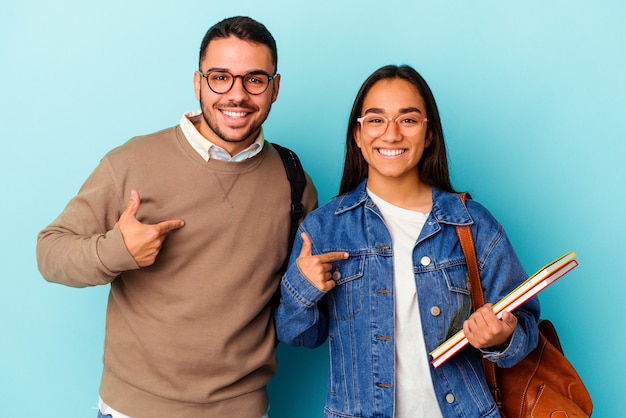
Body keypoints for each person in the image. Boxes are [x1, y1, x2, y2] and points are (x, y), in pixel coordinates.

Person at [36, 16, 317, 418]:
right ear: (198, 82)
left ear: (274, 88)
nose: (236, 94)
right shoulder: (131, 162)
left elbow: (296, 302)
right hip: (134, 409)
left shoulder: (294, 181)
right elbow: (49, 252)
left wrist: (307, 287)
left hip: (243, 409)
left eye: (254, 79)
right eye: (220, 77)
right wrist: (117, 251)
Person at [274, 64, 540, 418]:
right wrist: (302, 289)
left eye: (409, 120)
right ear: (357, 133)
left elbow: (525, 329)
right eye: (375, 119)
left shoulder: (471, 223)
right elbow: (298, 335)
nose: (392, 134)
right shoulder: (324, 228)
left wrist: (501, 338)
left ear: (429, 134)